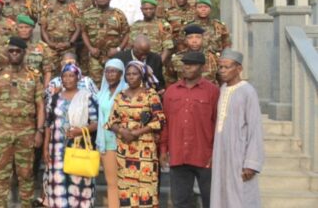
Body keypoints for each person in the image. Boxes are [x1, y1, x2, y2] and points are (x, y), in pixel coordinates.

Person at [0, 37, 45, 208]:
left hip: (26, 131)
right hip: (2, 130)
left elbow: (40, 106)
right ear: (7, 52)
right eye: (11, 51)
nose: (14, 54)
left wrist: (39, 131)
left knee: (25, 173)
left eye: (18, 51)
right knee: (2, 173)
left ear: (24, 53)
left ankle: (26, 204)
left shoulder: (33, 76)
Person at [159, 51, 219, 208]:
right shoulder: (171, 91)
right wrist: (164, 150)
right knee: (180, 201)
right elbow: (165, 123)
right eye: (185, 64)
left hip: (205, 155)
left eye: (191, 65)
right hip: (179, 154)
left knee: (211, 199)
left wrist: (216, 152)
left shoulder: (212, 91)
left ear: (202, 68)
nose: (186, 68)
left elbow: (218, 124)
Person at [106, 61, 165, 208]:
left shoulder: (151, 94)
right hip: (124, 151)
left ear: (142, 75)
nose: (131, 77)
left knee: (146, 189)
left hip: (144, 149)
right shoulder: (120, 96)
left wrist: (137, 132)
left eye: (135, 74)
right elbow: (111, 121)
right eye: (129, 74)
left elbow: (160, 120)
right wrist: (121, 131)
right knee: (126, 189)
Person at [210, 49, 265, 208]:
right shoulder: (222, 90)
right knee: (222, 195)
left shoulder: (248, 91)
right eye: (220, 67)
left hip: (240, 155)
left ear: (239, 69)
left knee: (241, 197)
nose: (222, 71)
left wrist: (251, 162)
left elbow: (255, 128)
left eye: (227, 67)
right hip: (222, 154)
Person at [42, 64, 99, 208]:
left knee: (79, 187)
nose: (67, 79)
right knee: (57, 186)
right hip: (56, 149)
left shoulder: (87, 97)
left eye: (71, 76)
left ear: (78, 78)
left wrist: (80, 131)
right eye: (64, 76)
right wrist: (45, 148)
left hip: (78, 148)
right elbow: (48, 124)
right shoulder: (54, 98)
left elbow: (96, 123)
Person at [96, 58, 126, 208]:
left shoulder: (127, 91)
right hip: (106, 143)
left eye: (114, 71)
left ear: (121, 74)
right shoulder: (102, 93)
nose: (110, 74)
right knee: (112, 182)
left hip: (125, 142)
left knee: (127, 183)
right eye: (107, 71)